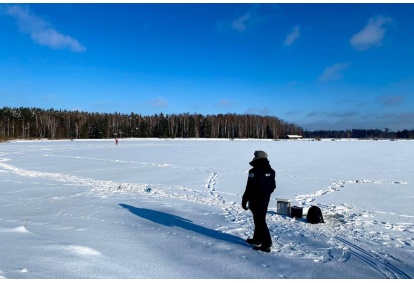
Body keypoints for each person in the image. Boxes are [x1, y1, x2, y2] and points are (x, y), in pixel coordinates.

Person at [242, 150, 276, 253]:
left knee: (260, 221)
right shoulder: (271, 171)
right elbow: (273, 186)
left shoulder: (253, 171)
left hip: (255, 200)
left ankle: (266, 244)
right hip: (265, 200)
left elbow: (250, 187)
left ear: (257, 158)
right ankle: (257, 239)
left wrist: (245, 199)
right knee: (259, 219)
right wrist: (265, 194)